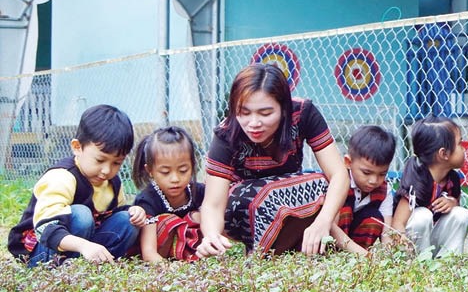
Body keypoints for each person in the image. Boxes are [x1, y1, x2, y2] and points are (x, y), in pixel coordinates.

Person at [196, 63, 348, 257]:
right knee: (271, 195)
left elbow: (339, 174)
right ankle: (262, 256)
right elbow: (213, 204)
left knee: (320, 185)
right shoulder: (226, 133)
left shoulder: (303, 113)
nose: (254, 123)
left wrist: (323, 222)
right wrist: (211, 236)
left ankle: (306, 248)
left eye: (265, 113)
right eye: (244, 112)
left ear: (284, 108)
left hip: (287, 203)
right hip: (240, 211)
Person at [8, 105, 146, 267]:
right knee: (81, 215)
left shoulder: (112, 182)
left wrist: (134, 211)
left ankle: (99, 263)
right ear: (77, 147)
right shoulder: (61, 177)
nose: (106, 170)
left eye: (117, 163)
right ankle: (59, 267)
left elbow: (115, 213)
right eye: (100, 160)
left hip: (85, 246)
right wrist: (84, 246)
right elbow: (45, 229)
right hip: (43, 248)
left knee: (127, 220)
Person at [391, 116, 468, 257]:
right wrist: (402, 247)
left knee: (461, 214)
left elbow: (454, 212)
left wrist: (453, 202)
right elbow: (397, 224)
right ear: (443, 153)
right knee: (422, 215)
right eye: (460, 144)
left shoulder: (452, 179)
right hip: (411, 246)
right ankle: (420, 264)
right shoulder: (416, 181)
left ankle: (448, 262)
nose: (464, 149)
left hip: (433, 239)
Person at [131, 126, 206, 263]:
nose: (175, 179)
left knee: (200, 215)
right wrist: (169, 268)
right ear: (150, 170)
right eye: (165, 172)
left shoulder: (199, 191)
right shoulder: (147, 200)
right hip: (159, 251)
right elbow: (149, 253)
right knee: (168, 221)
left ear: (193, 166)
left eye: (183, 170)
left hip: (193, 251)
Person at [329, 125, 397, 255]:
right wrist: (365, 256)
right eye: (366, 172)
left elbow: (387, 233)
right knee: (343, 209)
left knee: (374, 217)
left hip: (359, 249)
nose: (374, 180)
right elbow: (330, 226)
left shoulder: (384, 190)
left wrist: (389, 257)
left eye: (382, 174)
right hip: (331, 241)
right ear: (348, 162)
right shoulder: (338, 182)